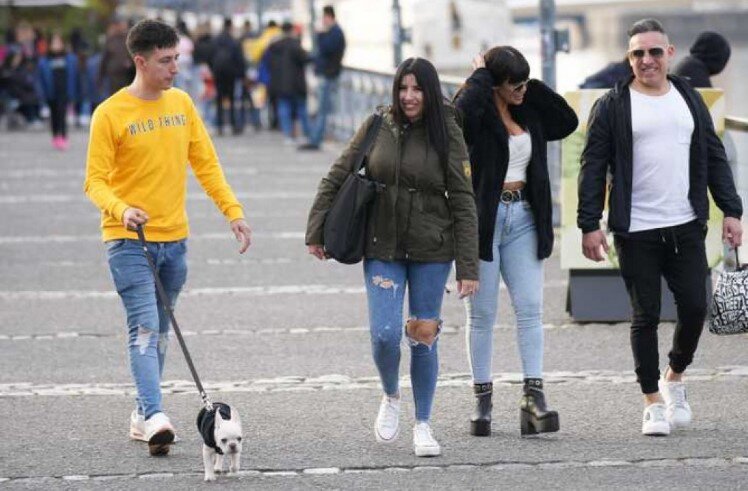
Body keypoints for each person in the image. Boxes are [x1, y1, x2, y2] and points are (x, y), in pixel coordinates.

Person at [83, 19, 252, 456]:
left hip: (175, 241)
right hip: (128, 240)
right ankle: (155, 414)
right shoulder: (110, 114)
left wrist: (233, 212)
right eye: (165, 60)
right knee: (144, 326)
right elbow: (95, 182)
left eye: (177, 58)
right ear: (140, 61)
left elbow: (206, 164)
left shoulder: (181, 104)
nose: (175, 68)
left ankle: (143, 413)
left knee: (159, 330)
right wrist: (122, 209)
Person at [577, 18, 743, 436]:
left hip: (686, 224)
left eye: (654, 51)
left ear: (669, 53)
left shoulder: (688, 97)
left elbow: (714, 157)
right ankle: (651, 400)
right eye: (637, 53)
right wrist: (588, 224)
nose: (646, 60)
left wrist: (732, 210)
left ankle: (674, 376)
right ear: (629, 59)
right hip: (635, 230)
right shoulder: (613, 105)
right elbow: (593, 166)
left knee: (694, 307)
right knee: (645, 314)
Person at [306, 57, 479, 457]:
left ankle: (423, 423)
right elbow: (337, 174)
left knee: (423, 337)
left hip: (432, 248)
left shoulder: (448, 132)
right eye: (403, 88)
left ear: (430, 92)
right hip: (381, 245)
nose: (409, 96)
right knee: (385, 336)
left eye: (418, 89)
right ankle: (390, 394)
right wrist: (315, 230)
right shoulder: (377, 125)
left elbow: (465, 202)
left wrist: (468, 267)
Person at [454, 47, 578, 437]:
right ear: (493, 83)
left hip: (524, 216)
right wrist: (480, 81)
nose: (523, 90)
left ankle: (533, 398)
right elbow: (453, 122)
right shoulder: (476, 113)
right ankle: (483, 399)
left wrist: (527, 86)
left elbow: (567, 121)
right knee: (482, 315)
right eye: (515, 85)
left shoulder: (529, 109)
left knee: (530, 309)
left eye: (526, 82)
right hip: (485, 222)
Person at [298, 5, 345, 151]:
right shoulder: (333, 32)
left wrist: (320, 35)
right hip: (326, 74)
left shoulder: (334, 33)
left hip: (328, 75)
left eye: (323, 17)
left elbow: (326, 49)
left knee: (322, 110)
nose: (322, 21)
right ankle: (315, 138)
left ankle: (316, 139)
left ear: (329, 16)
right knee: (321, 110)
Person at [266, 21, 310, 144]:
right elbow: (306, 58)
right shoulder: (295, 45)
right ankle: (304, 134)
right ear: (291, 30)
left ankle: (287, 136)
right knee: (301, 109)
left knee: (284, 108)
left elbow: (269, 64)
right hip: (296, 83)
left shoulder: (274, 46)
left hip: (280, 84)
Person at [37, 32, 78, 150]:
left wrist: (74, 92)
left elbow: (74, 76)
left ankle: (64, 137)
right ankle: (55, 136)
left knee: (62, 114)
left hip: (64, 92)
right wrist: (42, 93)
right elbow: (41, 79)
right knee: (54, 115)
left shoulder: (69, 58)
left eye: (59, 42)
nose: (56, 45)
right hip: (51, 93)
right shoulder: (45, 60)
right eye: (54, 43)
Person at [210, 18, 246, 135]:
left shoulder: (215, 40)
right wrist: (242, 74)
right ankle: (234, 125)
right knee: (232, 99)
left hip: (218, 73)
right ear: (231, 26)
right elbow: (239, 59)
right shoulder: (234, 41)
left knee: (219, 100)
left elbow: (210, 57)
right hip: (231, 74)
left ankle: (219, 126)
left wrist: (213, 70)